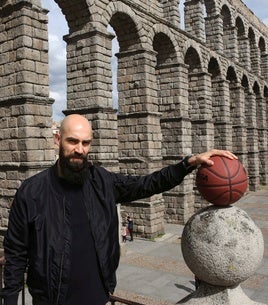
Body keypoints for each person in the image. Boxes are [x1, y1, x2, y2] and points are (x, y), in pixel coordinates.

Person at [0, 114, 237, 305]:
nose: (79, 149)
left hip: (99, 298)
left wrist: (189, 163)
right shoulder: (31, 192)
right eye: (72, 141)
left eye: (85, 143)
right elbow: (16, 254)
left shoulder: (102, 182)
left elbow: (148, 184)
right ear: (57, 140)